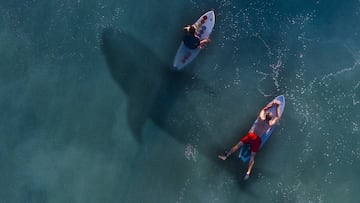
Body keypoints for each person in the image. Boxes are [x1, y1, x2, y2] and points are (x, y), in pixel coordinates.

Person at [218, 99, 282, 180]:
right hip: (257, 140)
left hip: (251, 135)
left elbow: (264, 109)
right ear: (270, 118)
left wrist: (272, 104)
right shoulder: (270, 124)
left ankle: (226, 156)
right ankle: (248, 173)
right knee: (252, 156)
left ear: (265, 116)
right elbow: (277, 117)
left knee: (237, 145)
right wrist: (277, 107)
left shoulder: (260, 118)